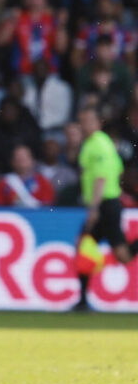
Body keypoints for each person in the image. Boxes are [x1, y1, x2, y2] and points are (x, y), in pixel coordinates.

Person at [74, 106, 138, 311]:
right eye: (82, 121)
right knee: (83, 246)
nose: (84, 125)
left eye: (88, 121)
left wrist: (94, 207)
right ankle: (82, 301)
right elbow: (118, 169)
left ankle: (83, 300)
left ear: (96, 122)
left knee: (123, 256)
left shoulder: (97, 145)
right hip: (107, 203)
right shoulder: (102, 143)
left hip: (105, 205)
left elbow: (101, 178)